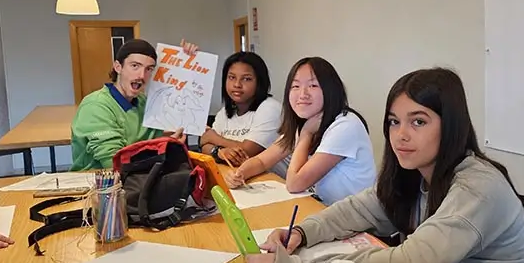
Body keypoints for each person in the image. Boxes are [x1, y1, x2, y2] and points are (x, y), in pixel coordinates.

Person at [245, 67, 524, 263]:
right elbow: (357, 209)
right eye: (394, 122)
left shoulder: (478, 186)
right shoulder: (416, 176)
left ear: (451, 127)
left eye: (418, 121)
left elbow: (408, 260)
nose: (401, 135)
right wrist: (301, 233)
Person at [226, 57, 376, 206]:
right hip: (322, 210)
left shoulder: (345, 125)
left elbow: (295, 184)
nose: (302, 94)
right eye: (295, 86)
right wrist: (240, 173)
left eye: (313, 85)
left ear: (330, 90)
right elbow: (262, 161)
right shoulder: (308, 122)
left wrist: (305, 135)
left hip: (356, 221)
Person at [71, 38, 197, 171]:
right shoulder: (96, 106)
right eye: (135, 66)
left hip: (140, 179)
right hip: (100, 185)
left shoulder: (142, 102)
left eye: (149, 69)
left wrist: (185, 59)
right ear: (118, 67)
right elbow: (115, 163)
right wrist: (165, 147)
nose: (142, 75)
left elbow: (161, 132)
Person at [200, 52, 282, 167]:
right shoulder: (224, 112)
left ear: (259, 82)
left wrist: (215, 138)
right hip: (240, 178)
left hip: (276, 181)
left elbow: (247, 152)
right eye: (232, 77)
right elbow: (204, 145)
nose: (237, 84)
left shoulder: (270, 108)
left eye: (246, 79)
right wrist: (219, 152)